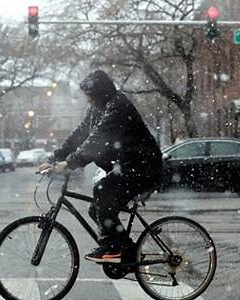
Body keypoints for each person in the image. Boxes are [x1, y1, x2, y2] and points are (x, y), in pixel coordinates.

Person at [39, 70, 162, 263]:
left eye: (89, 95)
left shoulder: (117, 107)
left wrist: (70, 163)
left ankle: (115, 249)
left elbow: (97, 141)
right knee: (95, 209)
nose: (87, 100)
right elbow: (80, 134)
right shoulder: (98, 108)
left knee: (102, 192)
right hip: (129, 166)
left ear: (99, 92)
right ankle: (125, 249)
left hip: (143, 167)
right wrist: (55, 157)